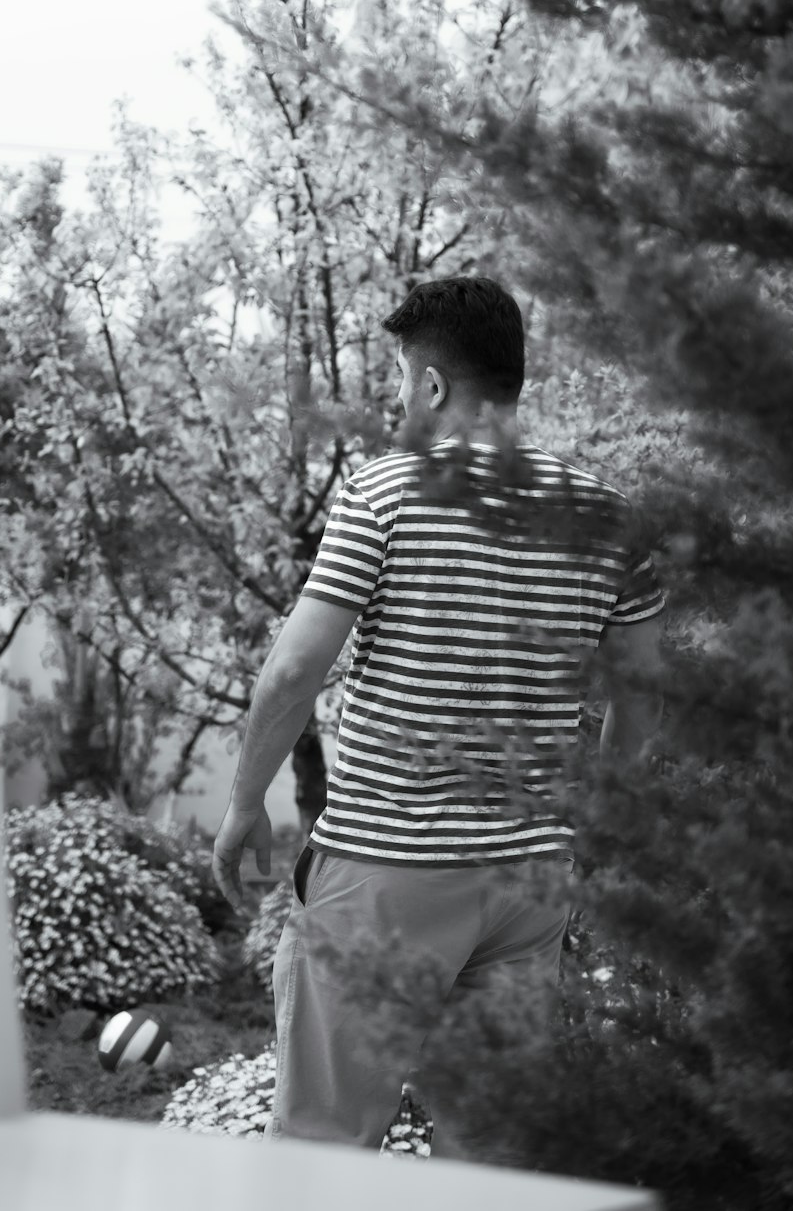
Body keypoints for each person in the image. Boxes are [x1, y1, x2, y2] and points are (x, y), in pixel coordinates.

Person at [211, 275, 665, 1158]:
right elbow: (644, 693)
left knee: (322, 1143)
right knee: (485, 1153)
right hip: (529, 881)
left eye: (398, 379)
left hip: (390, 870)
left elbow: (298, 666)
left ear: (430, 385)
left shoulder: (386, 492)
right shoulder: (610, 517)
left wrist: (242, 805)